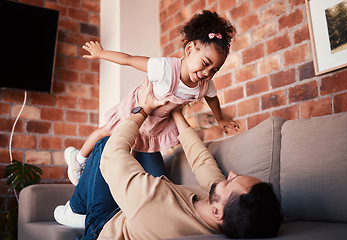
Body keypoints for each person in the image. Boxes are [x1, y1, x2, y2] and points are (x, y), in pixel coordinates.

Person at [54, 79, 282, 240]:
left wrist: (142, 109)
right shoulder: (221, 212)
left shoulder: (152, 202)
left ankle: (76, 209)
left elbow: (113, 156)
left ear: (217, 213)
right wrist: (175, 112)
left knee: (104, 144)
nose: (230, 174)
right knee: (149, 143)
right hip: (142, 209)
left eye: (231, 181)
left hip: (105, 225)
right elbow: (203, 162)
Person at [64, 10, 240, 185]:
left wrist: (220, 118)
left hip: (158, 122)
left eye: (214, 70)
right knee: (106, 131)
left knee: (146, 152)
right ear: (189, 49)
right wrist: (102, 53)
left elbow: (212, 98)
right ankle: (78, 158)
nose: (207, 73)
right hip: (139, 108)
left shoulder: (205, 85)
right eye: (205, 63)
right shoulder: (164, 68)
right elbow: (129, 59)